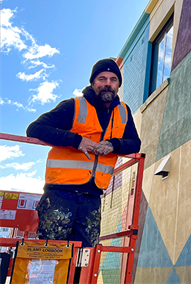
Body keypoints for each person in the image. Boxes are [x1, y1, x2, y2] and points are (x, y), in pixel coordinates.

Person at [27, 58, 141, 248]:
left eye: (113, 79)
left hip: (92, 198)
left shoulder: (124, 112)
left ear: (118, 85)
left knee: (85, 258)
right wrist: (76, 140)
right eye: (102, 79)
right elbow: (35, 129)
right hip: (60, 194)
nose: (107, 84)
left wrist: (115, 144)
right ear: (92, 82)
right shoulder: (73, 106)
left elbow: (134, 143)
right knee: (50, 254)